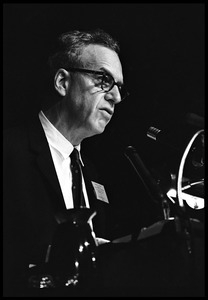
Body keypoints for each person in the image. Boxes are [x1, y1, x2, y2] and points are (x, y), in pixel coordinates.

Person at [3, 28, 129, 294]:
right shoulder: (10, 151)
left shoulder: (92, 174)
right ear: (63, 82)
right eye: (104, 80)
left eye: (118, 87)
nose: (116, 97)